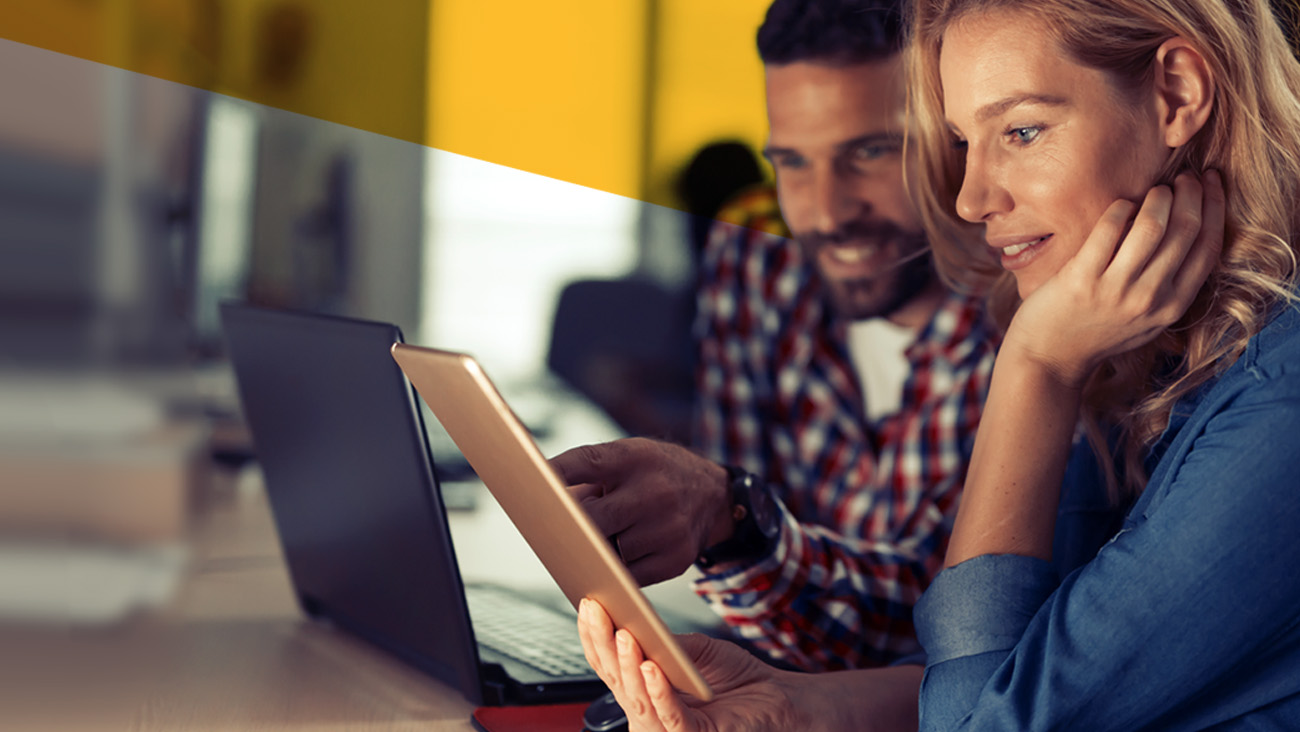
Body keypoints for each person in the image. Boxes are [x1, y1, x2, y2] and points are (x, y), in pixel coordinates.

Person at [574, 0, 1300, 729]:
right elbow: (1016, 660)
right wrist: (798, 707)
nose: (972, 197)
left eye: (1021, 131)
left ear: (1176, 93)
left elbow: (982, 719)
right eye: (963, 142)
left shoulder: (1276, 399)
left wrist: (1033, 370)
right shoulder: (1151, 357)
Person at [551, 0, 998, 673]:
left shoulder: (1017, 298)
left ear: (958, 131)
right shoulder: (755, 244)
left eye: (871, 151)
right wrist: (717, 511)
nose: (824, 213)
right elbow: (737, 516)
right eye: (791, 162)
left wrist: (729, 519)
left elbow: (937, 623)